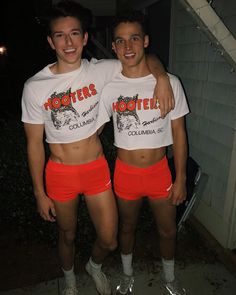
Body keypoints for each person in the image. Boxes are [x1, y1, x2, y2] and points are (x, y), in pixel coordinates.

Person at [21, 1, 174, 295]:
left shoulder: (102, 70)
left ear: (85, 38)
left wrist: (163, 77)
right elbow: (33, 144)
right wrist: (39, 192)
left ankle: (94, 265)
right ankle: (69, 281)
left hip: (96, 169)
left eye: (75, 34)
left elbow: (143, 57)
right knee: (67, 235)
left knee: (109, 239)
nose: (69, 42)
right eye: (61, 35)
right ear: (50, 41)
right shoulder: (35, 86)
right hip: (60, 172)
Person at [97, 10, 189, 295]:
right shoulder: (109, 88)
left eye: (134, 38)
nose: (128, 47)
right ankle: (127, 276)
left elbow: (179, 133)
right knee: (126, 228)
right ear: (113, 47)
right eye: (121, 41)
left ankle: (170, 280)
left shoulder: (169, 83)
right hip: (125, 173)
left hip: (160, 171)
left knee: (168, 230)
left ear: (146, 41)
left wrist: (181, 177)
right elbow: (93, 129)